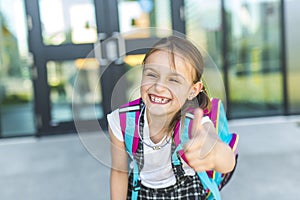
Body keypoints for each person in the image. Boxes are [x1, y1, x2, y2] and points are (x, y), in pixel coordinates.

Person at [107, 36, 236, 199]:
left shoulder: (193, 123)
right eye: (152, 75)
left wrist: (215, 152)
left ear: (193, 90)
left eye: (174, 79)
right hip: (142, 193)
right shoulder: (122, 121)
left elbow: (227, 161)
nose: (159, 87)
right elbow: (119, 171)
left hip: (187, 193)